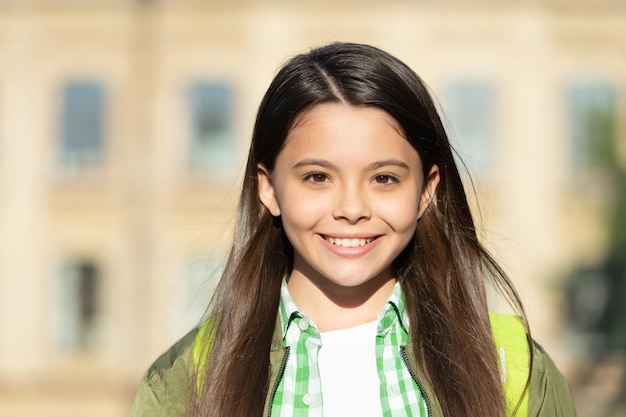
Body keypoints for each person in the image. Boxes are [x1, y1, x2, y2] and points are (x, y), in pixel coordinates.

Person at [130, 42, 576, 417]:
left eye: (384, 178)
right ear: (268, 188)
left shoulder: (511, 369)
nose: (351, 209)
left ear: (426, 190)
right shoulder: (185, 382)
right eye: (317, 177)